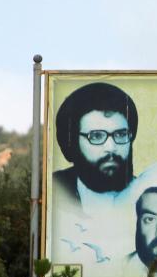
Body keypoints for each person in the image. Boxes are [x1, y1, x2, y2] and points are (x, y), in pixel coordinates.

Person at [53, 82, 139, 211]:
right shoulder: (52, 190)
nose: (111, 147)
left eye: (121, 134)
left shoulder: (150, 195)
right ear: (72, 143)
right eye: (96, 136)